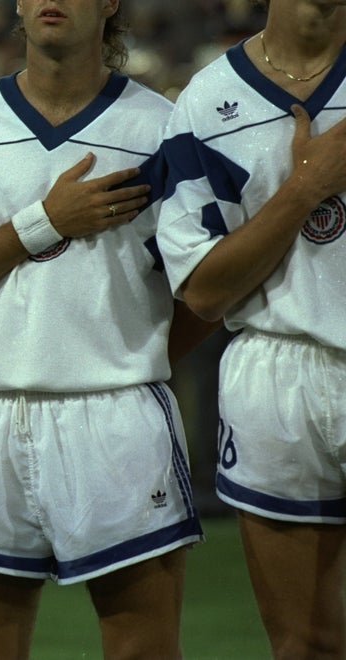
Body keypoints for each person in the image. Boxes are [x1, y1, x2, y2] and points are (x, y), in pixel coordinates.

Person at [0, 0, 218, 657]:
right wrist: (46, 221)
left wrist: (132, 364)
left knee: (142, 649)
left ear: (109, 5)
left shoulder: (162, 128)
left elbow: (205, 290)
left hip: (117, 418)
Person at [157, 0, 346, 657]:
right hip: (277, 371)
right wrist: (303, 190)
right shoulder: (207, 102)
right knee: (304, 643)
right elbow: (205, 290)